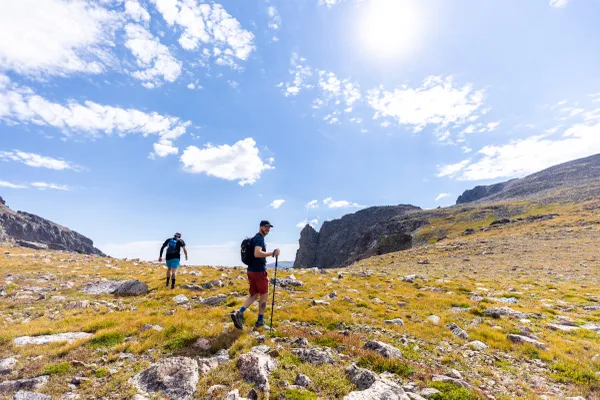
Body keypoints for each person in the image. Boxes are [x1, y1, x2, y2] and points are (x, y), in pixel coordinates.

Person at [231, 220, 280, 330]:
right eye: (266, 227)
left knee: (254, 295)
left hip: (251, 271)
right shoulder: (259, 238)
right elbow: (257, 253)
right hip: (259, 272)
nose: (268, 229)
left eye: (269, 227)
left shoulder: (254, 238)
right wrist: (272, 253)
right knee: (264, 295)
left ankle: (239, 313)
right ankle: (260, 322)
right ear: (260, 227)